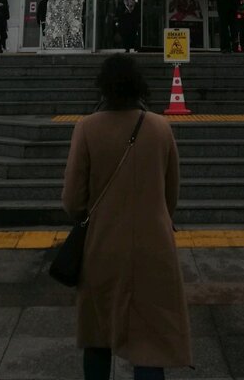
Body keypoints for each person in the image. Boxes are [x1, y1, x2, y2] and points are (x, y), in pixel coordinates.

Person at [62, 54, 192, 379]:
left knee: (97, 337)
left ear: (103, 87)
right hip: (154, 248)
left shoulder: (87, 128)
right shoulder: (160, 128)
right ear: (139, 85)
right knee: (150, 343)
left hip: (102, 247)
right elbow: (171, 195)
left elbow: (72, 200)